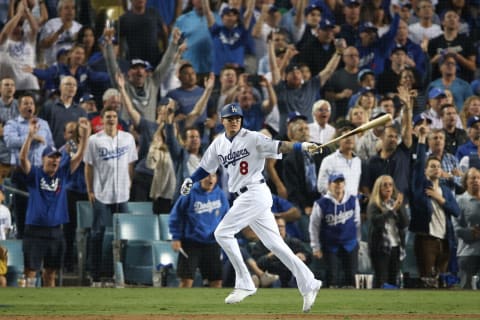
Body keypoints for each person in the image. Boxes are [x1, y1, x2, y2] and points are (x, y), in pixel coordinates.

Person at [179, 103, 322, 312]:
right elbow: (205, 167)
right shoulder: (219, 144)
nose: (235, 121)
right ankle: (309, 282)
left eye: (238, 117)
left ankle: (245, 282)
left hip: (255, 192)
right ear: (223, 120)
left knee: (222, 232)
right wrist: (191, 180)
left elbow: (279, 145)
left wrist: (301, 146)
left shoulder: (253, 137)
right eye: (230, 118)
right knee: (277, 245)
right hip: (244, 197)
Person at [19, 116, 90, 287]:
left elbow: (79, 157)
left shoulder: (62, 174)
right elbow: (23, 160)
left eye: (57, 157)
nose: (55, 160)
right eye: (51, 157)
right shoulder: (35, 174)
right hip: (35, 230)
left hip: (56, 231)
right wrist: (29, 136)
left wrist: (86, 135)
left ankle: (48, 310)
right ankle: (27, 306)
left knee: (50, 272)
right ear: (43, 159)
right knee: (30, 272)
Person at [84, 105, 138, 286]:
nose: (111, 119)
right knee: (97, 233)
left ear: (118, 119)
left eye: (114, 116)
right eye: (108, 116)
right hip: (101, 192)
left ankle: (120, 274)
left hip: (122, 193)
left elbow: (131, 164)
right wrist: (90, 190)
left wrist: (129, 185)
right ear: (102, 119)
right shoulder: (94, 140)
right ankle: (95, 274)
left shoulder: (128, 139)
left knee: (123, 236)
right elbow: (88, 166)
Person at [410, 122, 460, 288]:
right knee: (427, 279)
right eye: (432, 166)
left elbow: (456, 211)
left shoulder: (445, 190)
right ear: (426, 170)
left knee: (441, 279)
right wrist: (422, 138)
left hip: (445, 238)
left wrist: (440, 199)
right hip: (426, 237)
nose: (436, 169)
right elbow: (418, 166)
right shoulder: (421, 186)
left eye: (438, 166)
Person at [4, 92, 54, 239]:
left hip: (40, 172)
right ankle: (21, 246)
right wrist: (31, 138)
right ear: (19, 107)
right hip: (21, 174)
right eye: (25, 103)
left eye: (31, 103)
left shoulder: (43, 124)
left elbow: (51, 145)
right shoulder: (12, 124)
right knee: (22, 212)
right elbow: (10, 142)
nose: (29, 106)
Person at [169, 172, 229, 288]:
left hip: (212, 243)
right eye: (207, 176)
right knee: (186, 281)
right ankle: (179, 306)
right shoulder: (189, 194)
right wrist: (176, 238)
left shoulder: (220, 195)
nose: (210, 179)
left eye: (213, 176)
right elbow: (176, 216)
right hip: (191, 243)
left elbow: (227, 217)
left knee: (216, 281)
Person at [309, 173, 361, 288]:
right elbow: (314, 226)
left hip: (350, 243)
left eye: (340, 182)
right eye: (335, 182)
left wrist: (358, 241)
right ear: (329, 185)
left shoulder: (353, 200)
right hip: (330, 245)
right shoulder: (321, 203)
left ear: (344, 184)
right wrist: (315, 247)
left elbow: (357, 222)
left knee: (351, 276)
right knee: (332, 276)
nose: (338, 185)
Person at [367, 175, 409, 288]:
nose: (388, 187)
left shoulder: (396, 204)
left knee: (394, 279)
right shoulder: (374, 205)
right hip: (380, 248)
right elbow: (376, 222)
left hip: (396, 246)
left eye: (390, 184)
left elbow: (404, 223)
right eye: (384, 185)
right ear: (379, 188)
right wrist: (392, 210)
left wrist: (399, 208)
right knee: (381, 279)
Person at [251, 216, 311, 288]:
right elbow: (257, 264)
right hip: (272, 275)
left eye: (281, 226)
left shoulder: (294, 243)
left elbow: (308, 256)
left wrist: (303, 256)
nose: (279, 229)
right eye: (276, 226)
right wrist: (269, 256)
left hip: (291, 275)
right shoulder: (262, 243)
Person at [454, 167, 480, 289]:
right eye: (472, 178)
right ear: (465, 182)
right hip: (468, 252)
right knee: (466, 289)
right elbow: (455, 227)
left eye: (478, 178)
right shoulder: (460, 201)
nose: (476, 180)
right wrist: (471, 233)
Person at [38, 0, 82, 66]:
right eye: (66, 8)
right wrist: (59, 32)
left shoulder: (79, 27)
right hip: (53, 66)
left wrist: (78, 40)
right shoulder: (51, 24)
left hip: (73, 67)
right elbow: (43, 45)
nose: (70, 11)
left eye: (73, 8)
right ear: (59, 11)